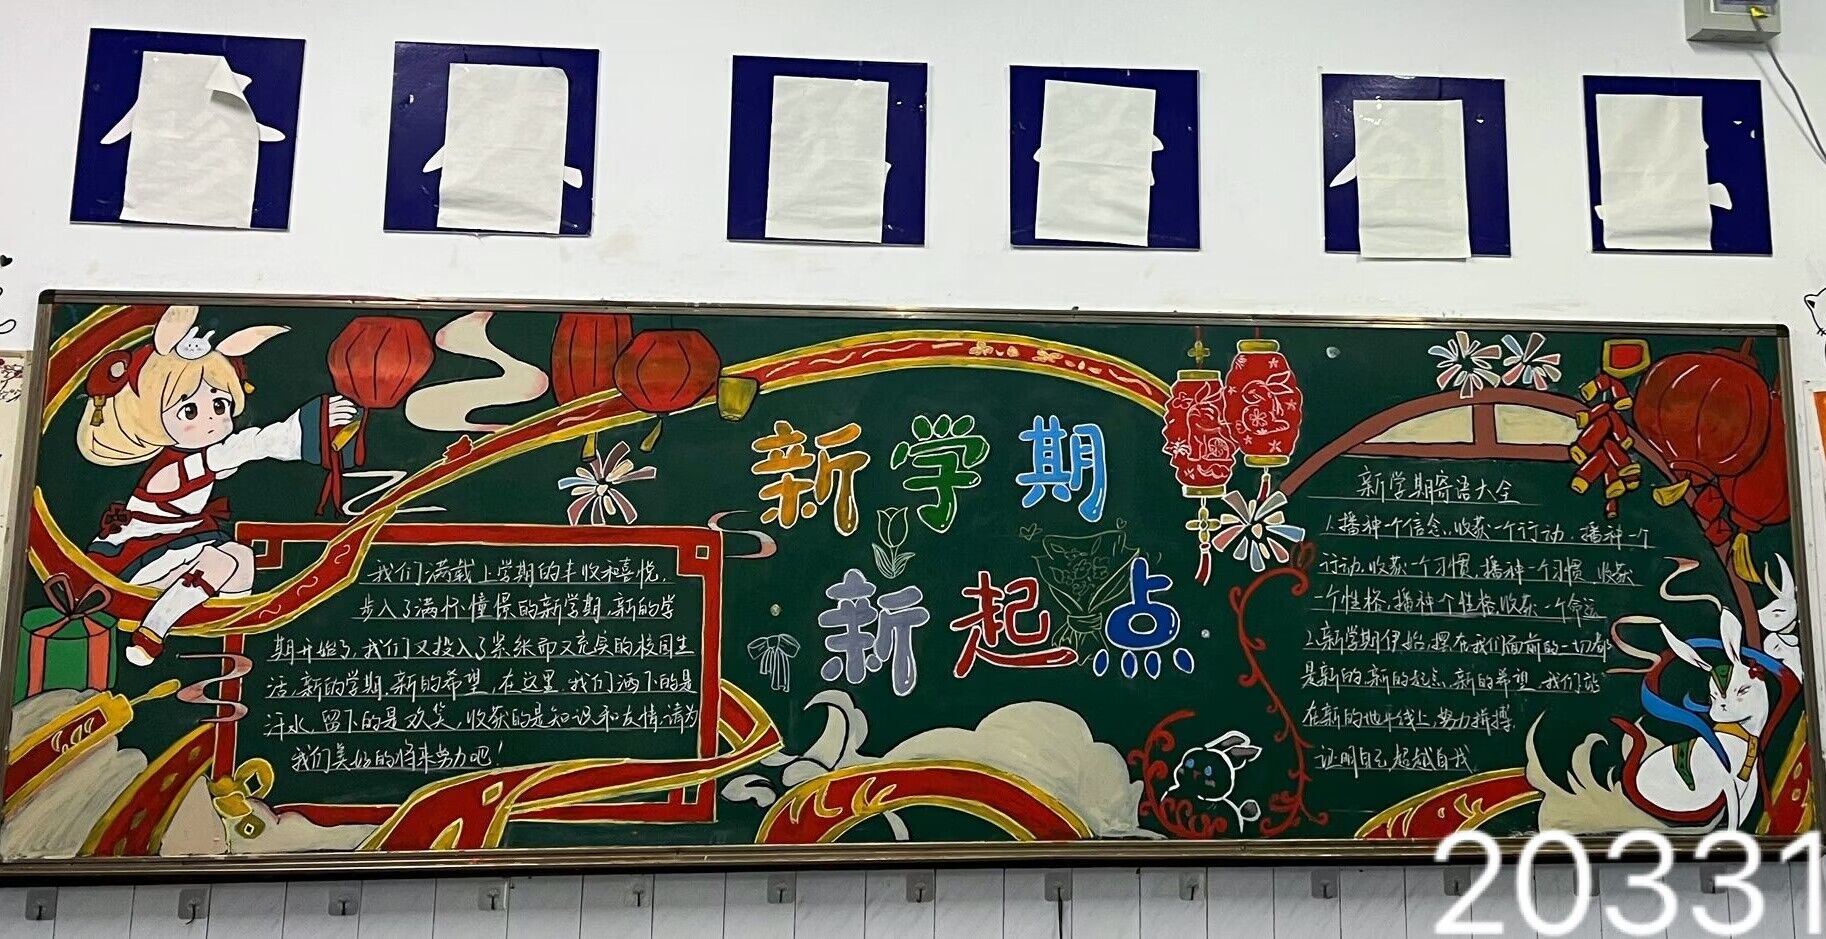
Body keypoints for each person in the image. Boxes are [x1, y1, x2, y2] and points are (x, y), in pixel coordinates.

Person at [79, 304, 355, 665]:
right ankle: (152, 631)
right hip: (141, 554)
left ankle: (227, 636)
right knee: (219, 561)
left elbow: (232, 455)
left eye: (220, 405)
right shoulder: (176, 467)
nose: (212, 420)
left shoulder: (196, 457)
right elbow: (242, 449)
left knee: (242, 557)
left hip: (179, 540)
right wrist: (301, 426)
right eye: (190, 410)